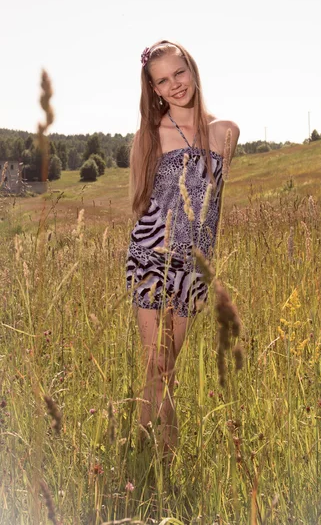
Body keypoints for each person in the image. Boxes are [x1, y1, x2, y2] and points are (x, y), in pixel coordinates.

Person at [126, 40, 239, 453]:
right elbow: (141, 205)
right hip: (151, 260)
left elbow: (214, 205)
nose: (174, 85)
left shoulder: (226, 132)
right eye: (162, 81)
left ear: (191, 69)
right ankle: (154, 456)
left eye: (179, 73)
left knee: (169, 370)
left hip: (193, 268)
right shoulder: (148, 137)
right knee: (157, 365)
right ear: (153, 89)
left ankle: (149, 454)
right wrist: (148, 256)